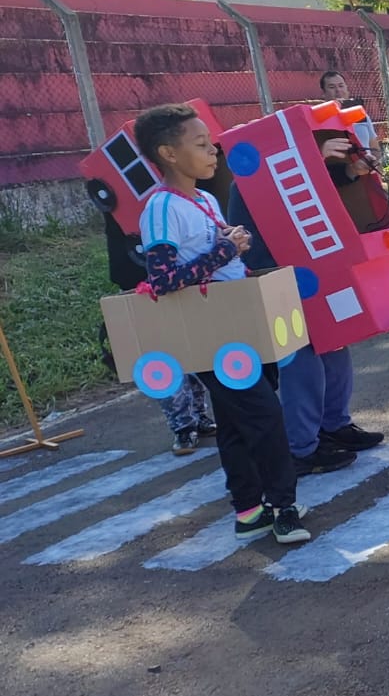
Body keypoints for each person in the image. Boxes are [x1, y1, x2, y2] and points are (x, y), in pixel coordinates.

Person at [132, 103, 309, 544]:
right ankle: (284, 507)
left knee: (234, 422)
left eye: (211, 143)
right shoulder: (160, 208)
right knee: (266, 416)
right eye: (201, 144)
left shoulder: (206, 199)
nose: (214, 151)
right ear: (168, 153)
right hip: (210, 332)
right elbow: (163, 279)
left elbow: (211, 256)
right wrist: (225, 251)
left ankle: (249, 511)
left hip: (238, 321)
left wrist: (231, 244)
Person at [226, 135, 384, 477]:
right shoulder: (250, 182)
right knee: (302, 359)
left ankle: (333, 424)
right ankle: (301, 448)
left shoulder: (293, 174)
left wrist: (351, 172)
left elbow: (313, 191)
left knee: (336, 345)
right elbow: (283, 195)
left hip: (313, 271)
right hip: (277, 277)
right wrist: (316, 157)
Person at [100, 204, 216, 455]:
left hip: (181, 279)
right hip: (142, 281)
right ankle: (183, 427)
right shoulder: (146, 201)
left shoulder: (178, 199)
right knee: (163, 360)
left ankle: (199, 416)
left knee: (192, 353)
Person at [319, 70, 389, 292]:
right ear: (324, 93)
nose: (338, 91)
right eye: (332, 87)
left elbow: (374, 144)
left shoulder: (360, 115)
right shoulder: (322, 123)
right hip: (345, 184)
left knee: (386, 226)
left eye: (341, 85)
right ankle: (367, 282)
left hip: (370, 178)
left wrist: (377, 163)